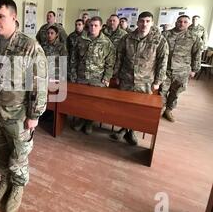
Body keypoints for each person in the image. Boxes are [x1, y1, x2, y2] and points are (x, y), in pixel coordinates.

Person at [0, 0, 48, 212]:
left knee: (19, 155)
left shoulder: (29, 46)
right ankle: (4, 180)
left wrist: (34, 115)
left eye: (1, 16)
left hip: (18, 115)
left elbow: (39, 83)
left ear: (14, 17)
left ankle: (17, 186)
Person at [112, 11, 169, 145]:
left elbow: (163, 62)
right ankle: (124, 129)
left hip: (145, 82)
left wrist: (158, 82)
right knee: (124, 107)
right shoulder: (127, 38)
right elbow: (119, 57)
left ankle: (130, 131)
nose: (144, 24)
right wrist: (116, 75)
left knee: (138, 110)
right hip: (126, 79)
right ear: (137, 22)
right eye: (142, 21)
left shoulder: (159, 40)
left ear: (152, 23)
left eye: (148, 21)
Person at [69, 16, 115, 135]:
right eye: (91, 25)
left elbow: (110, 62)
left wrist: (106, 78)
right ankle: (81, 120)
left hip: (97, 79)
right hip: (81, 77)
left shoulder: (106, 43)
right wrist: (73, 74)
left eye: (96, 26)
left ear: (100, 27)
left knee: (93, 104)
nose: (93, 28)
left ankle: (89, 122)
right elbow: (73, 59)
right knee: (81, 101)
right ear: (88, 26)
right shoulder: (81, 40)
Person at [161, 15, 202, 122]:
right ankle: (160, 108)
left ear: (188, 24)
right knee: (162, 91)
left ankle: (168, 110)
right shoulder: (166, 34)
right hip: (165, 69)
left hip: (182, 71)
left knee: (176, 92)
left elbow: (197, 54)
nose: (182, 24)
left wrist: (194, 70)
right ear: (176, 22)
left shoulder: (194, 37)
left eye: (185, 22)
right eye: (180, 21)